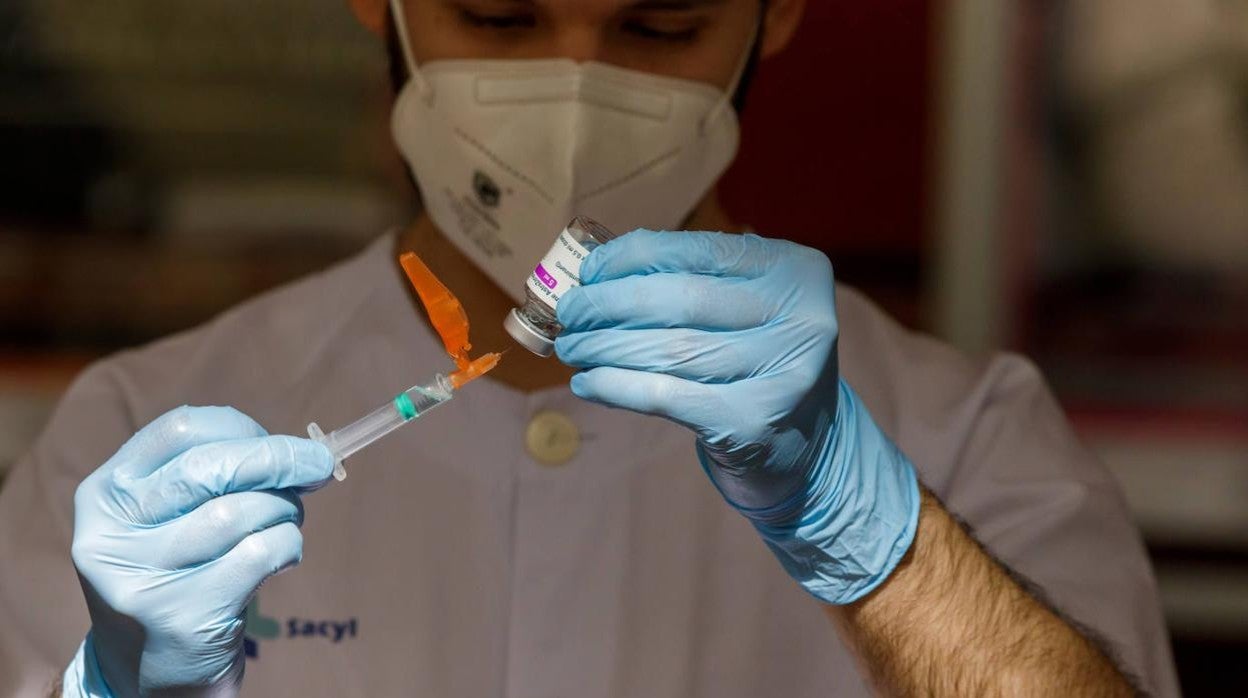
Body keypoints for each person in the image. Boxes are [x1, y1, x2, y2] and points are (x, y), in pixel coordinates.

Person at [0, 1, 1179, 696]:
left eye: (659, 20)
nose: (570, 94)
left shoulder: (965, 440)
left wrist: (877, 540)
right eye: (499, 12)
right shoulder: (138, 433)